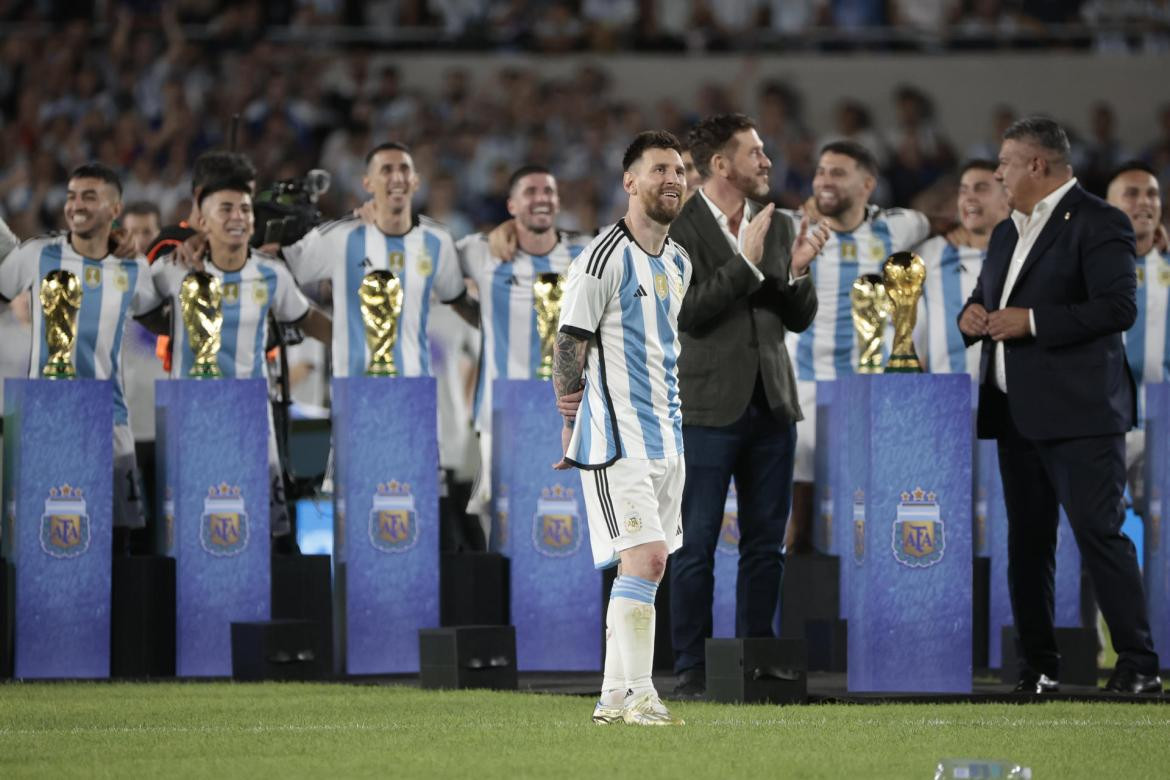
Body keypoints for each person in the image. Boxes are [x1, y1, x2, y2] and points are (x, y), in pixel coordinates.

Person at [958, 117, 1161, 695]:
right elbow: (987, 300)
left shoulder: (1100, 222)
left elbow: (1118, 308)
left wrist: (1034, 322)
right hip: (1014, 412)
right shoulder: (1006, 232)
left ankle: (1139, 665)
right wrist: (970, 318)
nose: (997, 173)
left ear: (1036, 167)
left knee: (1100, 534)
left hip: (1080, 414)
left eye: (1004, 163)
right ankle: (1038, 667)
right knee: (1027, 543)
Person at [666, 113, 826, 697]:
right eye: (755, 153)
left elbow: (798, 317)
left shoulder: (778, 222)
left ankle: (756, 660)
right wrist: (747, 264)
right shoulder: (676, 228)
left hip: (772, 406)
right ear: (721, 164)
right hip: (706, 409)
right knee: (696, 545)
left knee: (766, 546)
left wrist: (799, 271)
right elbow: (685, 313)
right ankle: (692, 667)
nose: (767, 162)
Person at [553, 130, 692, 726]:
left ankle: (612, 699)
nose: (673, 179)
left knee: (646, 569)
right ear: (629, 181)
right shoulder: (602, 257)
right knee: (649, 560)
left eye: (680, 170)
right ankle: (641, 694)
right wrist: (569, 419)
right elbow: (569, 341)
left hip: (668, 434)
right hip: (616, 439)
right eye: (659, 168)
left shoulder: (680, 260)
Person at [141, 169, 331, 538]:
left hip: (251, 417)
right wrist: (173, 326)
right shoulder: (174, 270)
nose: (238, 217)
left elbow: (306, 318)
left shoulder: (270, 273)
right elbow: (136, 308)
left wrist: (359, 343)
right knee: (195, 530)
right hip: (194, 414)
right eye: (225, 209)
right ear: (202, 220)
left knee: (259, 531)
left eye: (244, 209)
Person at [0, 162, 162, 552]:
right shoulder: (37, 255)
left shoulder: (132, 267)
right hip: (47, 422)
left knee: (117, 543)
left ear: (114, 209)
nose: (76, 204)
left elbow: (162, 311)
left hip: (111, 423)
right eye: (72, 196)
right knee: (43, 539)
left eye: (90, 196)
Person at [783, 140, 931, 553]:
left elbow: (937, 222)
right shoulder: (790, 227)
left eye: (837, 173)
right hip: (805, 382)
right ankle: (799, 594)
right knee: (800, 511)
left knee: (865, 503)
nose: (825, 181)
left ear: (867, 184)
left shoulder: (898, 226)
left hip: (867, 388)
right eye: (821, 172)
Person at [460, 165, 590, 545]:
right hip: (502, 413)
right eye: (530, 192)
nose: (541, 198)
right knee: (503, 525)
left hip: (569, 410)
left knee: (567, 518)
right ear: (512, 204)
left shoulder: (584, 254)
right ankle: (502, 603)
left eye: (548, 191)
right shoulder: (480, 251)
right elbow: (436, 272)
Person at [280, 142, 477, 378]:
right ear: (367, 183)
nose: (397, 177)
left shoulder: (437, 240)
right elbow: (274, 268)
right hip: (356, 387)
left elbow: (458, 300)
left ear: (415, 181)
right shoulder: (339, 237)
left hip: (415, 386)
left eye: (404, 169)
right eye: (386, 170)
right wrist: (309, 319)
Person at [1106, 161, 1168, 508]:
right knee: (1100, 535)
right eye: (1132, 194)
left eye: (1152, 195)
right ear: (1107, 205)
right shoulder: (1082, 267)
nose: (1144, 202)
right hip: (1104, 429)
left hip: (1164, 425)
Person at [913, 160, 1010, 376]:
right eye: (963, 191)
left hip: (1012, 398)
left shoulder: (1027, 254)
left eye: (981, 188)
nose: (969, 197)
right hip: (948, 397)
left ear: (1008, 198)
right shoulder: (930, 254)